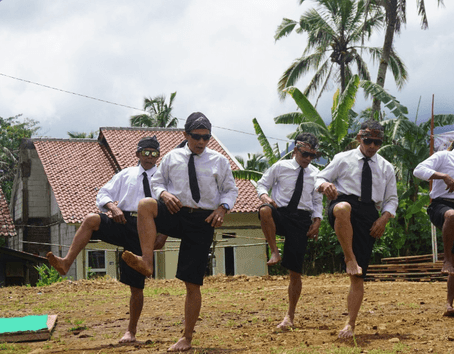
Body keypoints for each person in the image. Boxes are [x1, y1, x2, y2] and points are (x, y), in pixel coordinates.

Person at [122, 112, 238, 351]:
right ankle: (147, 261)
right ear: (185, 135)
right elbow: (157, 183)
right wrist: (164, 194)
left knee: (192, 283)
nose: (201, 142)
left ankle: (186, 338)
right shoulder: (172, 157)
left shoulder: (219, 161)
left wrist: (222, 209)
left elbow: (230, 190)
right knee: (145, 205)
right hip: (175, 211)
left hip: (202, 219)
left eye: (206, 138)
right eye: (196, 136)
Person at [46, 136, 167, 343]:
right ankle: (66, 262)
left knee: (136, 286)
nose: (149, 157)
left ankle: (131, 332)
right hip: (122, 221)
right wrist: (113, 207)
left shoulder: (163, 178)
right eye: (145, 152)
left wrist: (163, 233)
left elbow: (167, 208)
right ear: (137, 154)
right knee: (92, 219)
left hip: (146, 229)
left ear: (158, 156)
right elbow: (103, 193)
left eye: (154, 153)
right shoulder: (125, 174)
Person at [315, 120, 397, 339]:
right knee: (343, 208)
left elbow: (391, 199)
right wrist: (325, 185)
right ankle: (349, 258)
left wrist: (384, 219)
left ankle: (350, 324)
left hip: (369, 214)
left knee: (358, 277)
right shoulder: (342, 159)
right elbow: (320, 176)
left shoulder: (386, 167)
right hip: (343, 203)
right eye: (367, 140)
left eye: (376, 142)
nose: (371, 146)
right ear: (359, 138)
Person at [256, 133, 323, 330]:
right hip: (281, 213)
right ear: (295, 151)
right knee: (264, 211)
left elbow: (317, 200)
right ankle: (274, 251)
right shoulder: (280, 166)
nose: (308, 159)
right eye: (305, 154)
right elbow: (261, 184)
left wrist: (317, 220)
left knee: (295, 272)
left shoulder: (316, 174)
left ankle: (290, 316)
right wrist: (265, 197)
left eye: (312, 155)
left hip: (301, 219)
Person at [413, 125, 454, 317]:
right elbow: (419, 170)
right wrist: (443, 176)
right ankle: (446, 259)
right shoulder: (444, 157)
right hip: (440, 205)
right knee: (451, 215)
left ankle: (449, 304)